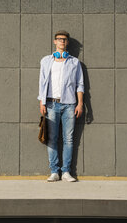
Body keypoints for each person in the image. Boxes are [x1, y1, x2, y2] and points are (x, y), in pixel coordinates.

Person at [37, 30, 84, 182]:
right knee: (52, 139)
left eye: (64, 39)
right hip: (51, 104)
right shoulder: (45, 61)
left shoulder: (74, 63)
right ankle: (54, 171)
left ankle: (66, 172)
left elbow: (80, 84)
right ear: (54, 42)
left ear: (67, 42)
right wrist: (42, 102)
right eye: (59, 39)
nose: (62, 41)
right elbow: (42, 83)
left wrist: (80, 103)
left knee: (68, 139)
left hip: (70, 105)